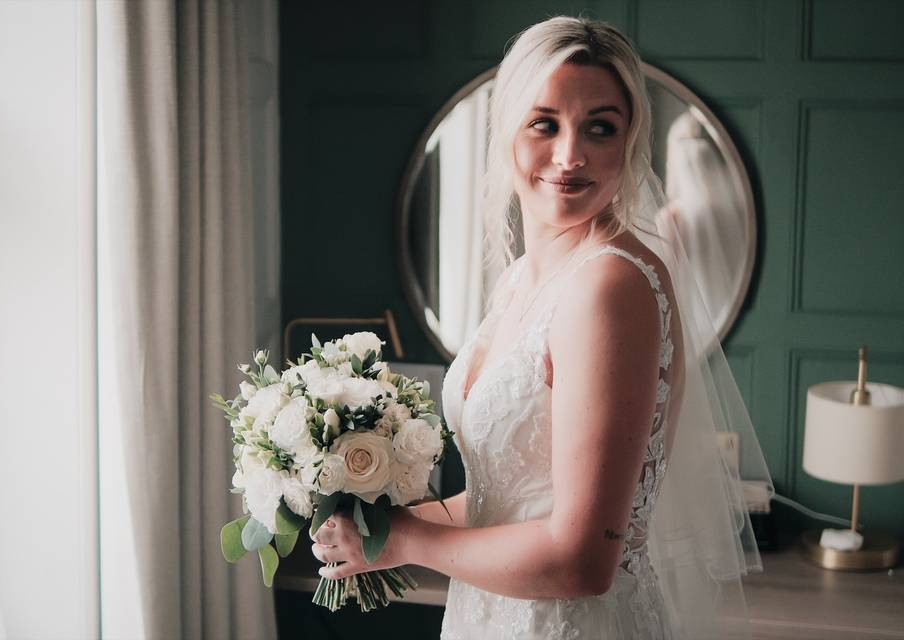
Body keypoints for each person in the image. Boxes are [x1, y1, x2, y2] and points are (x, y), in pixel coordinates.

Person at [311, 16, 772, 639]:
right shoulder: (521, 279)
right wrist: (377, 520)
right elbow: (507, 498)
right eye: (545, 123)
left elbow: (583, 561)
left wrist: (406, 542)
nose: (570, 155)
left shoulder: (610, 285)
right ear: (507, 131)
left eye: (600, 128)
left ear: (630, 141)